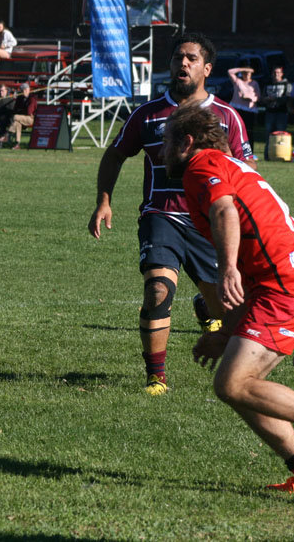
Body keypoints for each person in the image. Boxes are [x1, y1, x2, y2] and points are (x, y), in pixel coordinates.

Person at [163, 105, 294, 492]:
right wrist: (226, 334)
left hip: (286, 284)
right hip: (283, 281)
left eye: (166, 142)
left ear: (186, 142)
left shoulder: (201, 164)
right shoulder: (228, 164)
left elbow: (224, 210)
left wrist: (226, 269)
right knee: (242, 387)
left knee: (233, 383)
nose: (161, 152)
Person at [88, 32, 254, 396]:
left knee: (230, 310)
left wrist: (245, 210)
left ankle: (205, 305)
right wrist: (104, 200)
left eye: (192, 58)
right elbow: (115, 154)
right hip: (161, 214)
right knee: (158, 290)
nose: (183, 63)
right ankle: (156, 378)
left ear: (207, 68)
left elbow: (248, 170)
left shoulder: (226, 117)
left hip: (210, 221)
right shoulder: (147, 115)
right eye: (179, 57)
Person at [261, 65, 293, 161]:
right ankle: (268, 155)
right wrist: (266, 99)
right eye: (274, 73)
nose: (276, 74)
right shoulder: (267, 84)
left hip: (281, 113)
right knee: (268, 134)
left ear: (282, 74)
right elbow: (262, 97)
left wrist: (275, 99)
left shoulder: (286, 84)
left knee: (280, 134)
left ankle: (279, 155)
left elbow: (288, 97)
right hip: (269, 112)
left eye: (278, 72)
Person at [227, 66, 260, 153]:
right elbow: (230, 72)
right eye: (245, 73)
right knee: (236, 131)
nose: (247, 74)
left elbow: (258, 97)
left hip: (249, 110)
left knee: (249, 132)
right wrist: (242, 69)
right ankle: (235, 151)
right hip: (238, 109)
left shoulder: (254, 83)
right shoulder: (238, 81)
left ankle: (249, 152)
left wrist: (250, 98)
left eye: (248, 73)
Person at [0, 82, 38, 150]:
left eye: (22, 90)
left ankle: (7, 135)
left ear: (27, 90)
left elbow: (29, 111)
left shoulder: (32, 98)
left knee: (15, 117)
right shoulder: (20, 98)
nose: (22, 92)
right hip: (20, 118)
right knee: (17, 123)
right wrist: (21, 111)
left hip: (30, 118)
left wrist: (20, 111)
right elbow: (15, 109)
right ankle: (17, 144)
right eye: (21, 91)